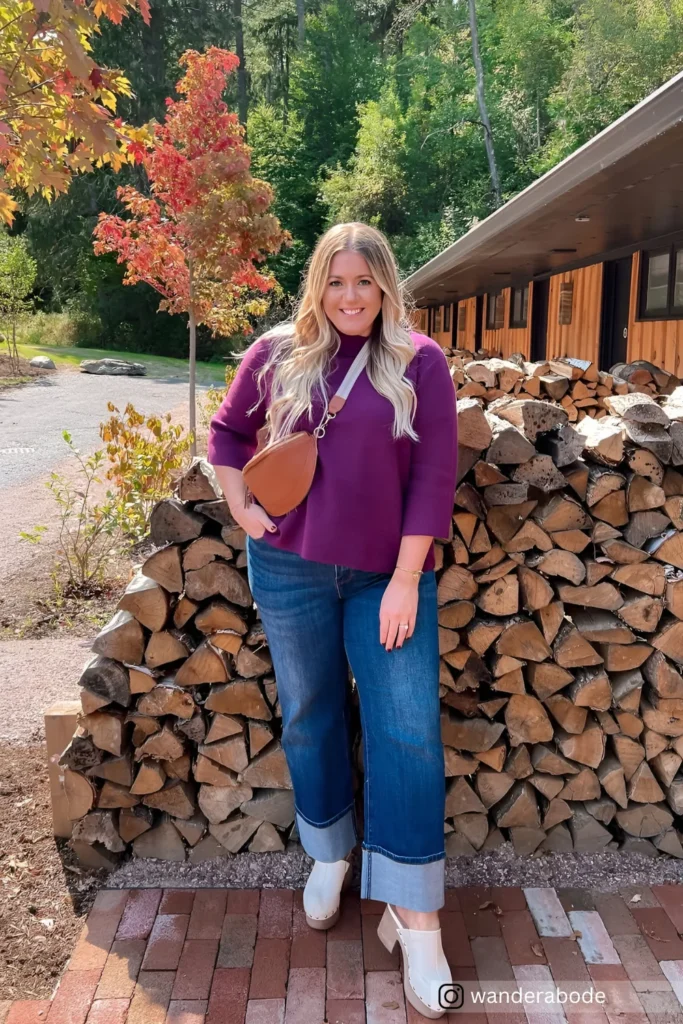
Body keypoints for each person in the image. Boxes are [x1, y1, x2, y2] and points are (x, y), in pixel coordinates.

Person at [208, 221, 458, 1018]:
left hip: (386, 578)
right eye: (336, 281)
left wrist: (404, 580)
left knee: (408, 732)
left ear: (386, 285)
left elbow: (432, 477)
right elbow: (226, 434)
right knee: (311, 715)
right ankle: (328, 854)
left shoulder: (420, 362)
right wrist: (240, 505)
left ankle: (417, 919)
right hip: (288, 568)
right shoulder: (276, 352)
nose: (350, 297)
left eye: (365, 282)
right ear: (317, 284)